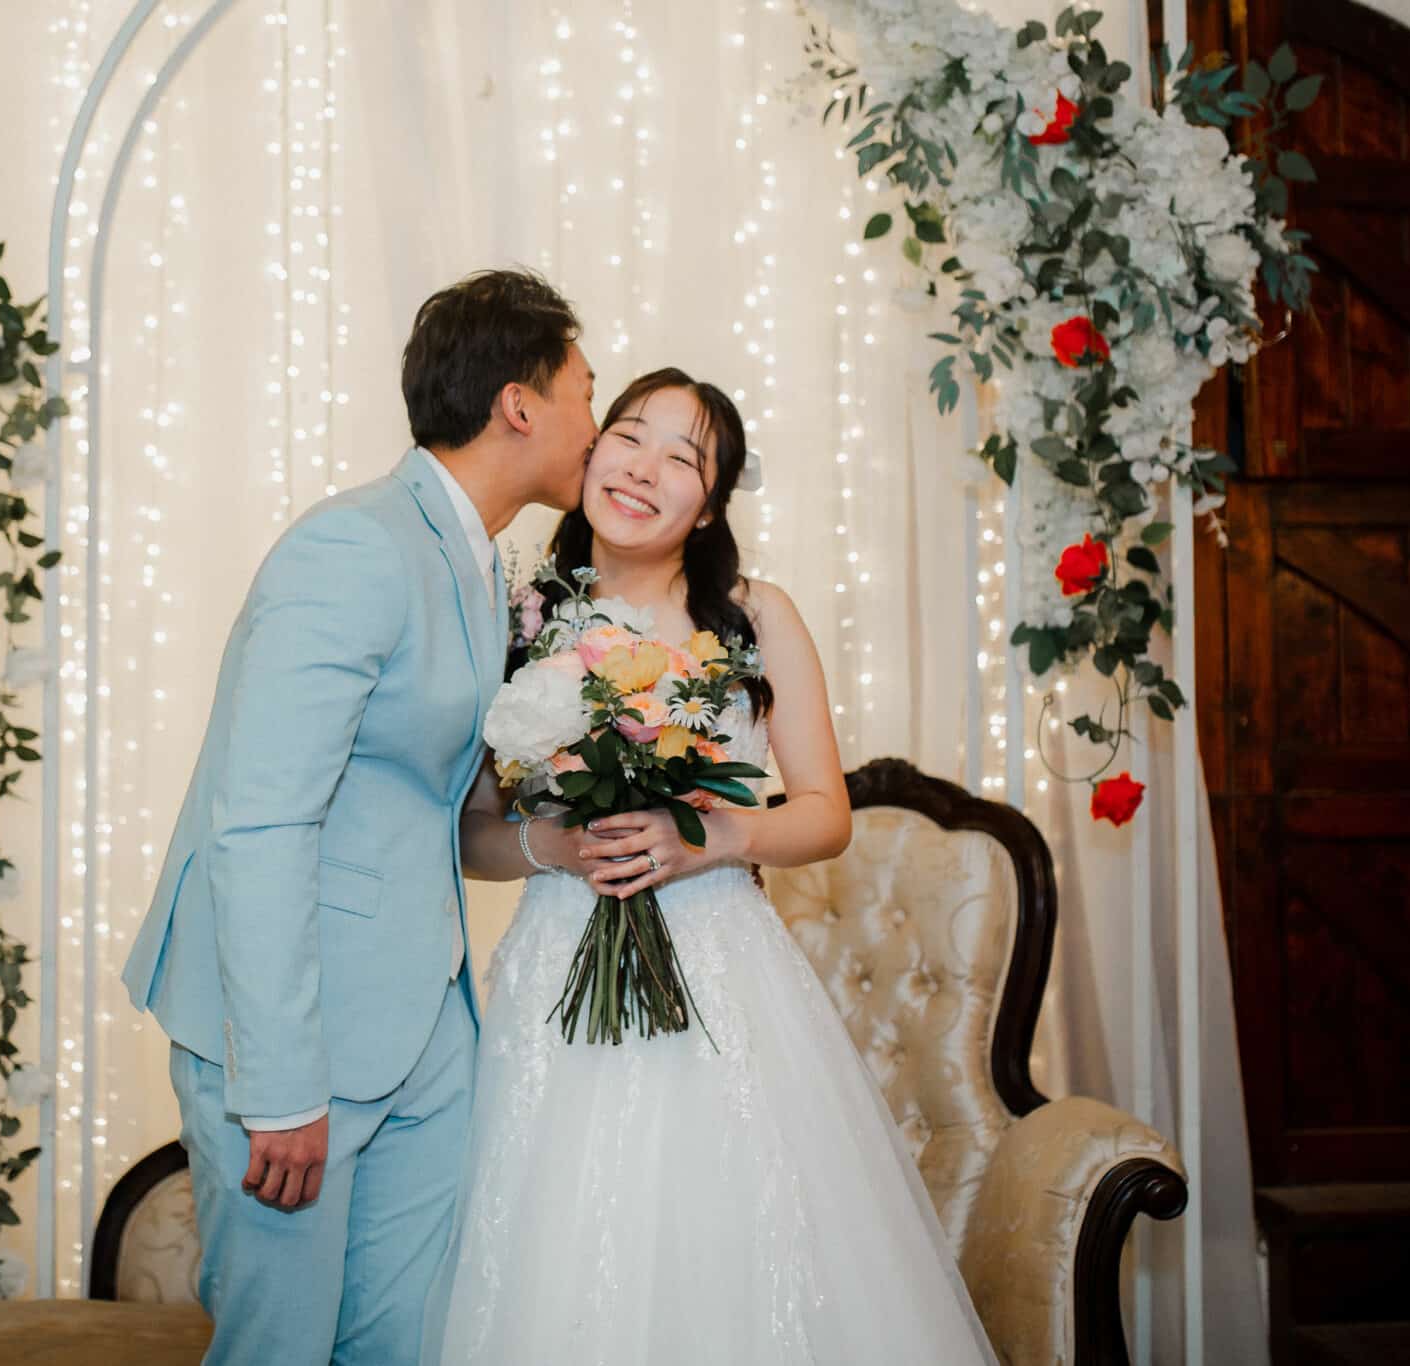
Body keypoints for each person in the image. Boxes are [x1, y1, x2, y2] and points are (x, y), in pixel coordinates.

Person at [424, 369, 998, 1363]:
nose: (642, 469)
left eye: (681, 458)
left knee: (732, 1247)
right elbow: (470, 831)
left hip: (722, 975)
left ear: (711, 500)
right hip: (557, 972)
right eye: (628, 437)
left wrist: (711, 840)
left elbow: (824, 812)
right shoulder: (514, 617)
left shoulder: (751, 616)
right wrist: (549, 846)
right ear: (591, 449)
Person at [120, 269, 598, 1364]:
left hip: (425, 1024)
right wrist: (278, 1081)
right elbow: (259, 825)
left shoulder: (481, 566)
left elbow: (425, 804)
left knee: (404, 1346)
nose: (594, 420)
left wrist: (570, 830)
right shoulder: (352, 549)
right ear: (517, 405)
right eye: (583, 387)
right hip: (294, 1032)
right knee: (278, 1348)